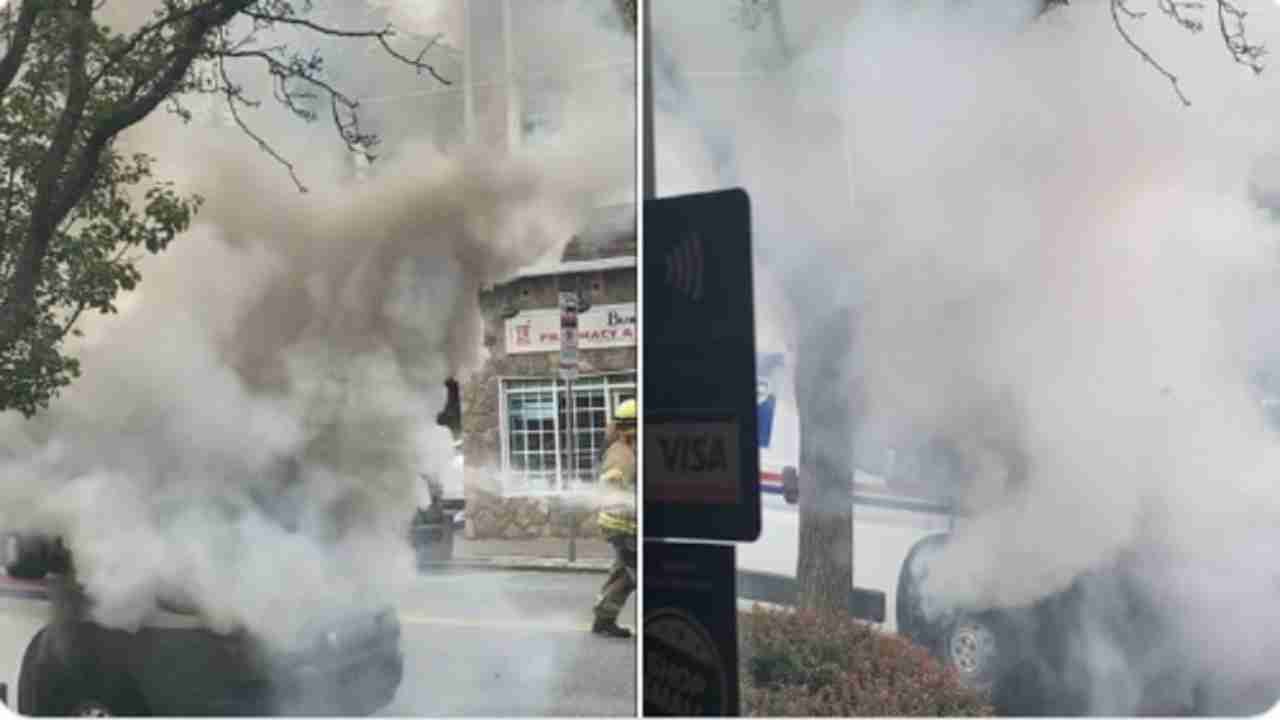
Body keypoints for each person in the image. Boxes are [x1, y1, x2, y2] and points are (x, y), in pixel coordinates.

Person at [591, 398, 637, 638]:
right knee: (640, 574)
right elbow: (613, 487)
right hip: (623, 528)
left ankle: (604, 620)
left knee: (623, 575)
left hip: (623, 527)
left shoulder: (628, 449)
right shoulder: (622, 454)